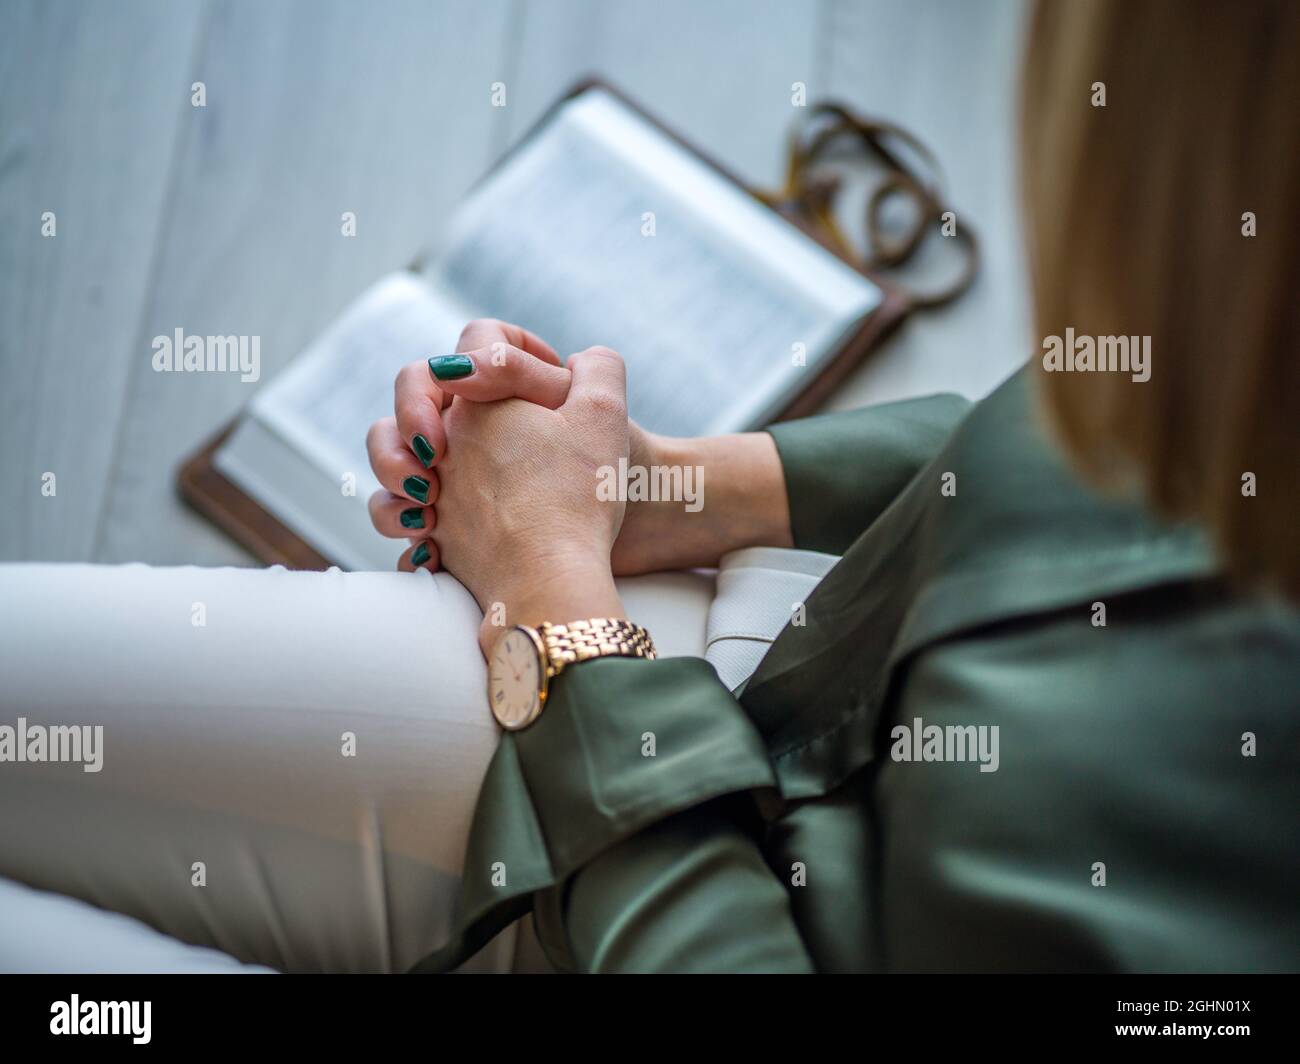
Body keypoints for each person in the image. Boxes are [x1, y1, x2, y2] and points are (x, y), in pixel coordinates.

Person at [0, 0, 1295, 973]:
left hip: (659, 893)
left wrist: (557, 609)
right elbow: (1121, 441)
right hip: (735, 672)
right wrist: (675, 486)